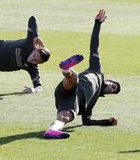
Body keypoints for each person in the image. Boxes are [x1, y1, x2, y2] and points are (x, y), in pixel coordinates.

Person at [43, 9, 121, 139]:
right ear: (109, 80)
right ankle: (67, 69)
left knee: (65, 117)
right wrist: (97, 24)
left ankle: (52, 130)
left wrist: (107, 122)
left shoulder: (92, 101)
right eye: (114, 86)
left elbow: (87, 121)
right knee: (74, 80)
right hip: (72, 86)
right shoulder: (97, 69)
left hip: (71, 101)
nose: (112, 89)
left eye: (113, 91)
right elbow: (94, 47)